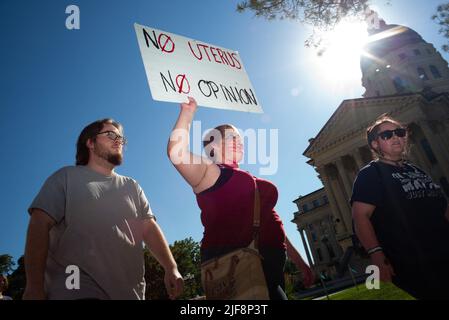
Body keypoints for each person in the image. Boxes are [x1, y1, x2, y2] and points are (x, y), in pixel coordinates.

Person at [167, 97, 314, 300]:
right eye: (232, 138)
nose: (240, 143)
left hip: (269, 263)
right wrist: (188, 112)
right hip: (237, 262)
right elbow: (177, 153)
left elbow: (270, 220)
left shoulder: (246, 178)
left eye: (240, 139)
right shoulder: (212, 174)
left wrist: (299, 262)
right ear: (213, 147)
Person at [23, 119, 183, 300]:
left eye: (121, 138)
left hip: (130, 293)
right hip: (75, 288)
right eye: (110, 135)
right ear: (90, 143)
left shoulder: (132, 186)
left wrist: (171, 267)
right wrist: (34, 286)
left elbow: (149, 228)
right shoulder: (65, 177)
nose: (118, 140)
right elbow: (39, 225)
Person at [351, 114, 449, 300]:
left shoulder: (417, 170)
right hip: (413, 259)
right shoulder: (371, 174)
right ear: (375, 145)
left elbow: (442, 207)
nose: (396, 136)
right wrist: (376, 254)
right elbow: (360, 216)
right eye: (387, 135)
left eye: (400, 132)